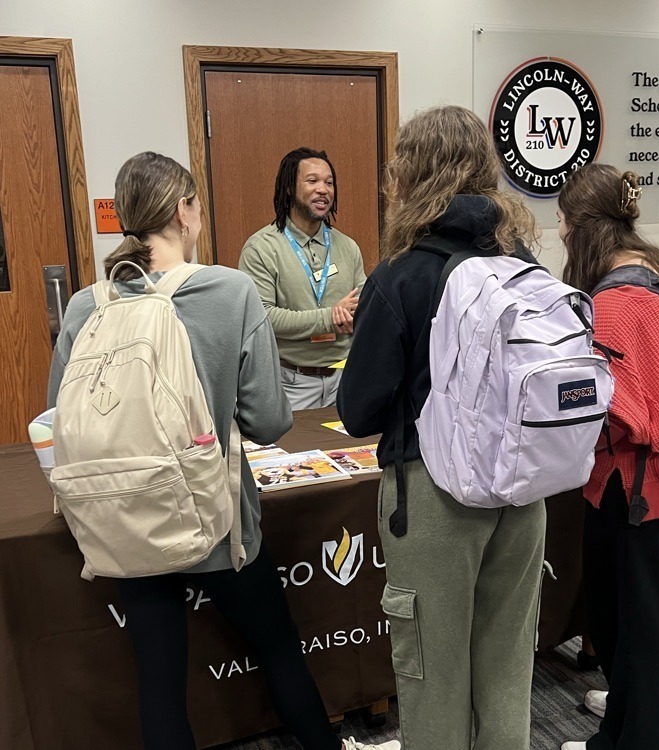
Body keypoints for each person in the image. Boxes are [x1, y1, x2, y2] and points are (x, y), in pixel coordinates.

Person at [47, 151, 398, 750]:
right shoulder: (228, 292)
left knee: (159, 681)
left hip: (127, 520)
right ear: (186, 212)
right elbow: (267, 422)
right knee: (279, 650)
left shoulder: (86, 306)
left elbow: (63, 413)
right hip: (219, 521)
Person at [337, 106, 547, 750]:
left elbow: (358, 410)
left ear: (412, 176)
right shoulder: (524, 263)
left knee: (432, 673)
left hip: (432, 499)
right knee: (508, 670)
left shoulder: (399, 276)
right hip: (522, 488)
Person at [556, 164, 659, 750]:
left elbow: (620, 410)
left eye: (564, 223)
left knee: (631, 622)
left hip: (629, 482)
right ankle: (650, 719)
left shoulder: (614, 303)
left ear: (587, 228)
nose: (560, 235)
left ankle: (635, 737)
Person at [239, 147, 367, 410]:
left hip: (344, 380)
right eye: (312, 181)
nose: (323, 189)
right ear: (289, 188)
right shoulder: (262, 248)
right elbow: (261, 317)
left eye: (329, 183)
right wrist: (329, 318)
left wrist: (361, 312)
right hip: (290, 382)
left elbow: (364, 303)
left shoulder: (347, 247)